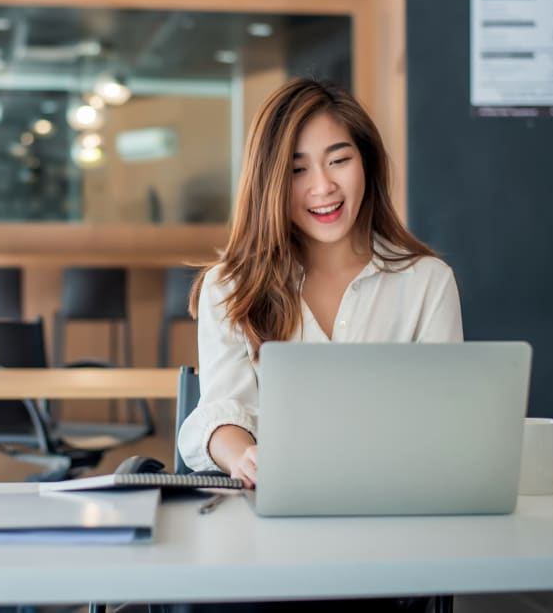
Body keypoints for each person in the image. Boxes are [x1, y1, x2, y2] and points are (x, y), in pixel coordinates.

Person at [178, 77, 464, 487]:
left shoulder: (427, 282)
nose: (323, 186)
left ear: (366, 162)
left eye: (339, 160)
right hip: (277, 507)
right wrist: (244, 457)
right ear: (270, 182)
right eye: (297, 169)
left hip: (397, 502)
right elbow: (223, 411)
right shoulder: (230, 286)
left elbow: (448, 418)